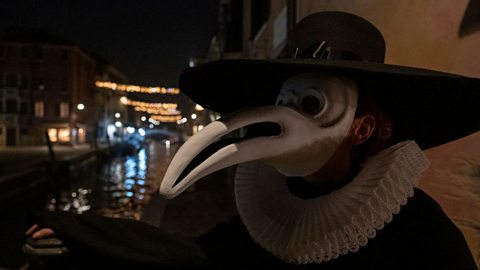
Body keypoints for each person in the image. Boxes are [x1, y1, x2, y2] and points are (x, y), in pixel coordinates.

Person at [26, 11, 479, 269]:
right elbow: (191, 258)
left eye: (312, 105)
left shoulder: (422, 238)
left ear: (362, 127)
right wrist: (81, 239)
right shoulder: (266, 219)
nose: (282, 116)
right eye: (282, 100)